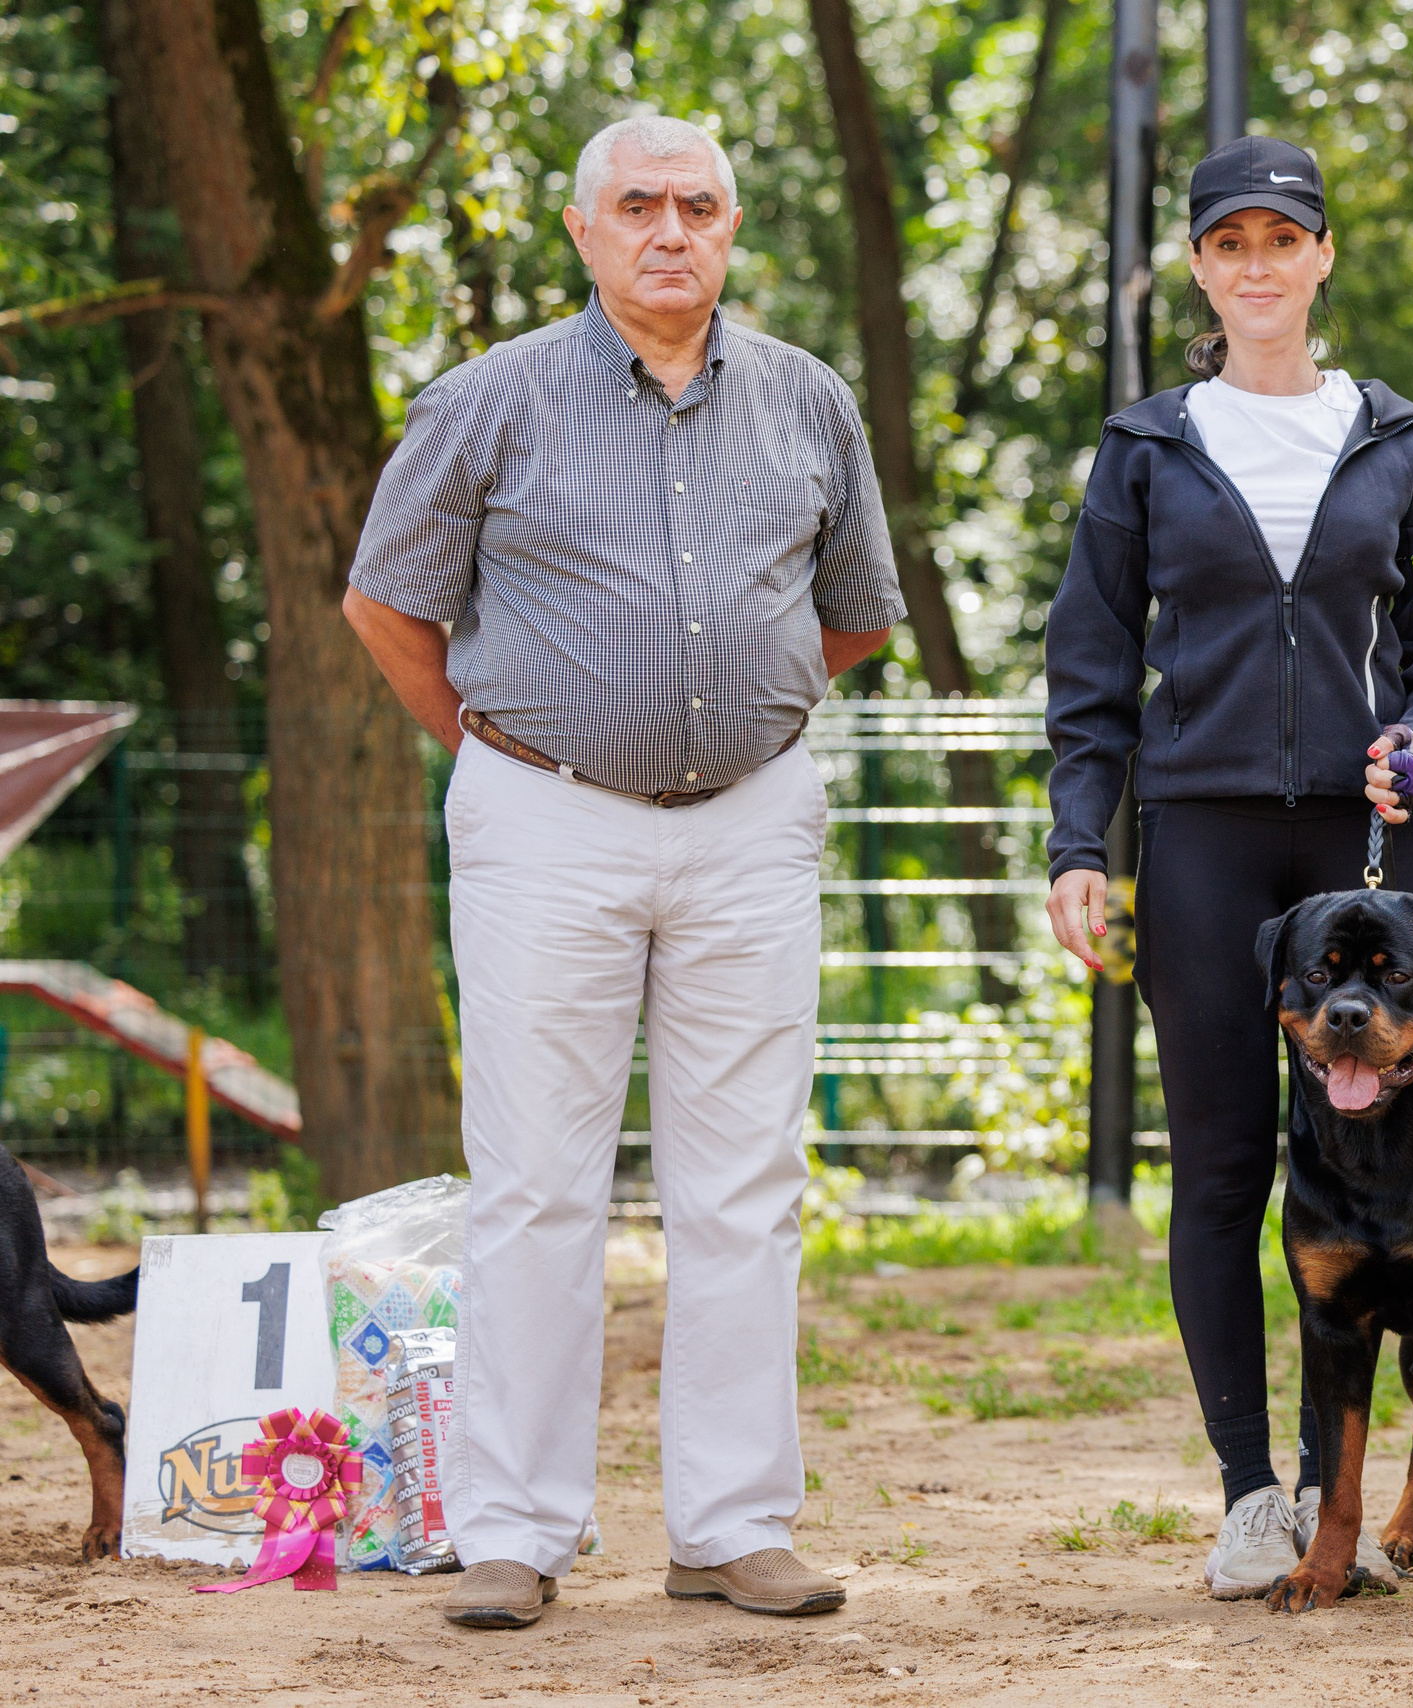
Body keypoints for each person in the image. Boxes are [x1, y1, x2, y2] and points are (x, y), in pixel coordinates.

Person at [342, 114, 903, 1629]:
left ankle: (732, 1525)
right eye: (639, 205)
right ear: (584, 232)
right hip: (543, 815)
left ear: (731, 230)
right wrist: (506, 747)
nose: (671, 230)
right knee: (535, 1185)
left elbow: (853, 615)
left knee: (747, 1185)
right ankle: (515, 1532)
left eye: (699, 206)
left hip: (751, 824)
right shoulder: (487, 402)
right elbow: (389, 606)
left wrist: (735, 718)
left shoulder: (809, 403)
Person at [1042, 135, 1413, 1599]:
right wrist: (1077, 844)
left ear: (1322, 255)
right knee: (1230, 1161)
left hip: (1365, 846)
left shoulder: (1403, 443)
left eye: (1280, 240)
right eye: (1227, 245)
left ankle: (1338, 1486)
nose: (1256, 267)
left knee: (1383, 1168)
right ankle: (1252, 1493)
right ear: (1197, 267)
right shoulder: (1146, 449)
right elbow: (1091, 667)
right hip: (1204, 842)